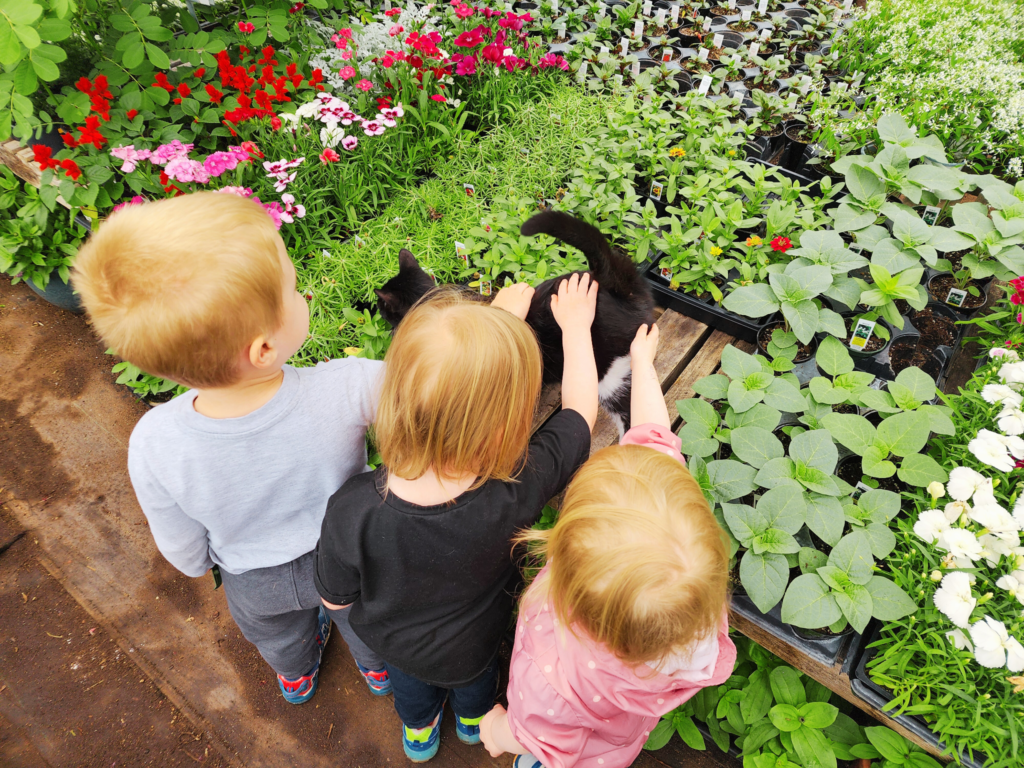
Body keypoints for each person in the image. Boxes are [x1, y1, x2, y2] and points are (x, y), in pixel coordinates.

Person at [73, 192, 391, 705]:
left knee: (278, 636)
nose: (300, 293)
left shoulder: (155, 441)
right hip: (347, 559)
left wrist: (203, 564)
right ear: (263, 348)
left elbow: (181, 546)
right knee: (363, 620)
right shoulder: (348, 386)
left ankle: (296, 675)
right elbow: (429, 390)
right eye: (292, 289)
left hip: (252, 578)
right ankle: (378, 672)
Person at [314, 274, 600, 763]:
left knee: (413, 699)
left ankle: (420, 735)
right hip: (477, 647)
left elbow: (334, 599)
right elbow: (579, 412)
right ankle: (473, 727)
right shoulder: (517, 486)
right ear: (506, 425)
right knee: (476, 694)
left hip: (398, 650)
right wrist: (575, 328)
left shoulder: (353, 507)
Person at [478, 323, 737, 768]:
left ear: (566, 587)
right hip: (616, 744)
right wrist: (641, 363)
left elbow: (536, 735)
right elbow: (654, 437)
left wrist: (498, 731)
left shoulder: (556, 680)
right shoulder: (689, 609)